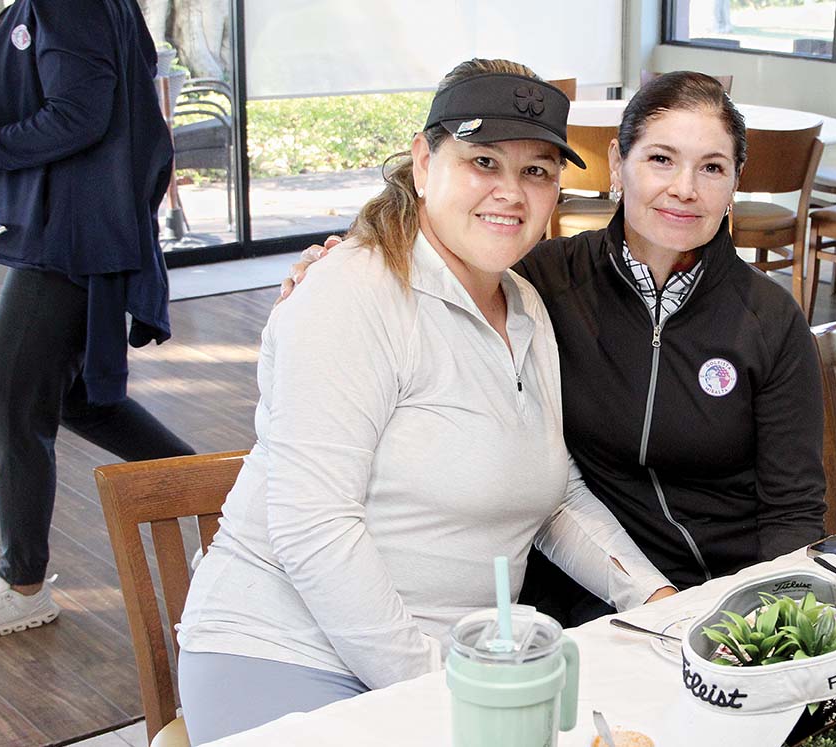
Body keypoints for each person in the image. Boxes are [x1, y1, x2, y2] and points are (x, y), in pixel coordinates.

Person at [175, 58, 674, 745]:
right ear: (423, 160)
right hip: (285, 654)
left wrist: (654, 597)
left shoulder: (522, 302)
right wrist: (438, 689)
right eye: (483, 161)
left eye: (536, 171)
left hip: (450, 665)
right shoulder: (352, 292)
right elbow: (314, 528)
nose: (511, 191)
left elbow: (554, 495)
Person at [288, 72, 827, 627]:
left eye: (712, 167)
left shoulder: (770, 319)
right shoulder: (538, 283)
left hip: (727, 597)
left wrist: (770, 626)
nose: (685, 188)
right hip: (579, 598)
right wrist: (347, 258)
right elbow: (441, 252)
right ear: (618, 164)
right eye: (661, 159)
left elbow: (793, 508)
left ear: (736, 180)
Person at [0, 0, 193, 643]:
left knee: (9, 405)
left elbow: (80, 115)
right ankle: (231, 498)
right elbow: (40, 102)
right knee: (80, 400)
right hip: (67, 225)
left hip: (71, 235)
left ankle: (23, 587)